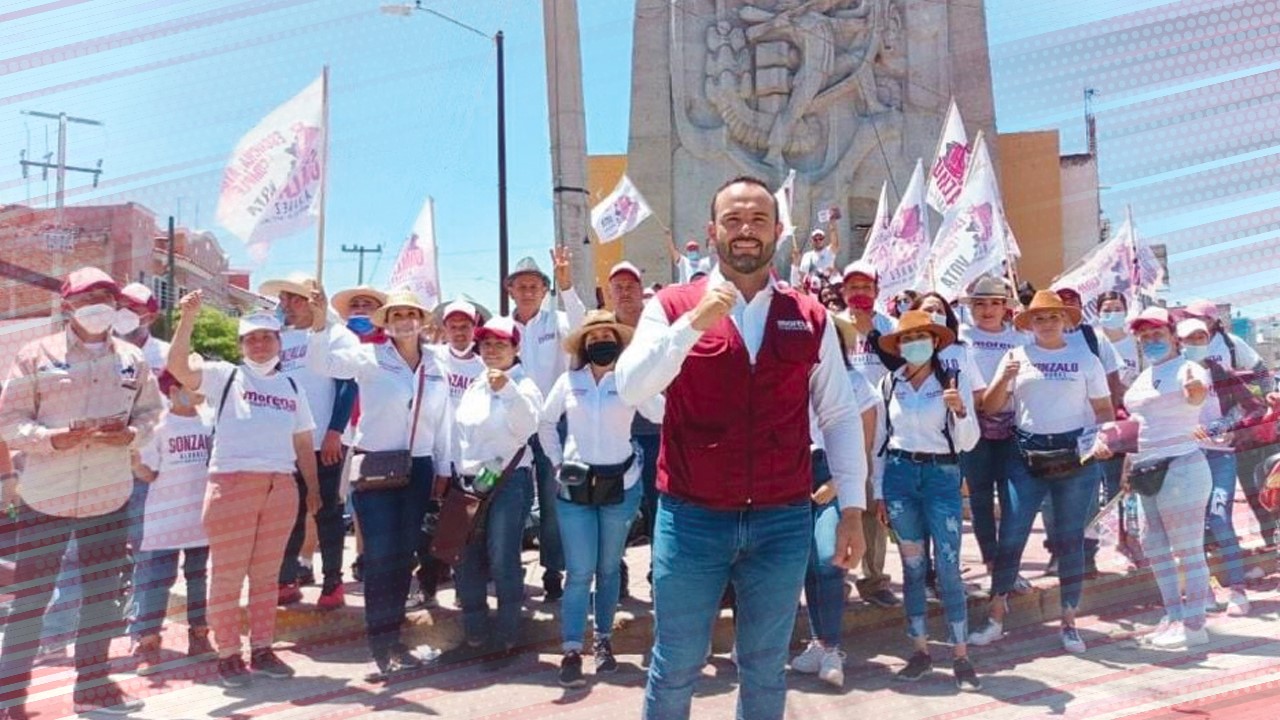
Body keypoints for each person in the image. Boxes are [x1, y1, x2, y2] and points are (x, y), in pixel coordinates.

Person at [616, 176, 867, 720]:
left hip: (782, 520)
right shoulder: (672, 304)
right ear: (712, 232)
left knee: (764, 665)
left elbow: (840, 415)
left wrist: (852, 509)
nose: (745, 231)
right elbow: (631, 387)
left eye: (758, 220)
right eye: (733, 220)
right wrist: (692, 325)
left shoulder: (810, 315)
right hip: (691, 518)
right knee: (679, 661)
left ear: (778, 231)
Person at [0, 267, 164, 717]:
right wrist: (53, 437)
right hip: (44, 495)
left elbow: (153, 414)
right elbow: (8, 422)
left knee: (103, 594)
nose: (98, 303)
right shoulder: (35, 355)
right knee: (31, 599)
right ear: (68, 303)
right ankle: (10, 697)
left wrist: (129, 435)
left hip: (108, 494)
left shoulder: (133, 359)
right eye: (88, 296)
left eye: (106, 296)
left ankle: (93, 684)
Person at [168, 292, 320, 688]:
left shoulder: (292, 386)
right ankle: (227, 653)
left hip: (281, 487)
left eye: (267, 337)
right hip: (232, 484)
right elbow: (179, 367)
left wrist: (315, 492)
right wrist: (188, 318)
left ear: (279, 342)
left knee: (267, 576)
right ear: (241, 345)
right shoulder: (224, 376)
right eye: (251, 338)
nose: (259, 344)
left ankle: (264, 648)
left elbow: (304, 443)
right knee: (228, 575)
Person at [304, 288, 452, 681]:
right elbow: (324, 364)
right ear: (386, 321)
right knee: (380, 556)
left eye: (411, 312)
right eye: (397, 313)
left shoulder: (437, 362)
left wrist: (444, 467)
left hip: (419, 466)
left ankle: (395, 639)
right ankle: (380, 644)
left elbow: (444, 419)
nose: (405, 319)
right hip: (376, 467)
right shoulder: (369, 357)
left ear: (422, 319)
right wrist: (319, 324)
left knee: (405, 557)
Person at [968, 290, 1114, 654]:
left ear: (1065, 320)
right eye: (1039, 318)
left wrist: (1101, 442)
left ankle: (1069, 622)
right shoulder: (1015, 355)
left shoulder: (1086, 360)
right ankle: (995, 618)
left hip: (1075, 456)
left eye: (1053, 317)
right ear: (1029, 324)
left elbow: (1104, 410)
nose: (1046, 323)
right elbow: (989, 406)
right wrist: (1005, 379)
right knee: (1012, 536)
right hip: (1025, 454)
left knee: (1070, 540)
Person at [540, 310, 664, 687]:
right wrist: (557, 462)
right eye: (593, 339)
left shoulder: (627, 381)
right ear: (584, 345)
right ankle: (572, 649)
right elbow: (546, 422)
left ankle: (604, 641)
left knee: (609, 568)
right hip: (575, 488)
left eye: (607, 337)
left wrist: (644, 377)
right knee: (579, 571)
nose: (600, 344)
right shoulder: (569, 381)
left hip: (620, 486)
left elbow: (661, 414)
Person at [873, 311, 982, 689]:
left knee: (949, 567)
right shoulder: (889, 383)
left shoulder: (953, 381)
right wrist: (878, 492)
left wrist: (961, 411)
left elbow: (968, 441)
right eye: (906, 338)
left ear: (935, 341)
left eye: (921, 336)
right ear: (898, 345)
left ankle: (961, 655)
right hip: (901, 478)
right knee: (913, 567)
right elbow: (880, 444)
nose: (913, 343)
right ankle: (919, 651)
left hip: (942, 475)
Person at [1095, 307, 1213, 649]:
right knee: (1156, 547)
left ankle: (1194, 624)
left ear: (1173, 336)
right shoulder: (1146, 376)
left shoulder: (1189, 367)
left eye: (1157, 334)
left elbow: (1196, 393)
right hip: (1147, 470)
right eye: (1145, 336)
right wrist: (1126, 465)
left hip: (1181, 467)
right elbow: (1140, 427)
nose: (1151, 341)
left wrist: (1195, 391)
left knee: (1188, 550)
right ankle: (1174, 616)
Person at [258, 273, 358, 609]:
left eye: (293, 297)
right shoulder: (276, 339)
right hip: (286, 443)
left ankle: (333, 582)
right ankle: (287, 578)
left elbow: (347, 385)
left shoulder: (336, 335)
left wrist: (334, 431)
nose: (285, 304)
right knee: (289, 511)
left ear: (313, 300)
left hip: (325, 440)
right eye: (283, 298)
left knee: (328, 512)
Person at [789, 315, 877, 689]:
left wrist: (838, 485)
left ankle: (832, 647)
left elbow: (864, 445)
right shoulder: (789, 378)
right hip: (790, 474)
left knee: (828, 558)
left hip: (831, 474)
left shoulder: (855, 382)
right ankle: (816, 643)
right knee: (799, 563)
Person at [452, 316, 543, 650]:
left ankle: (506, 635)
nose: (491, 350)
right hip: (472, 481)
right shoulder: (476, 383)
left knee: (503, 557)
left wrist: (508, 391)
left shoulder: (525, 385)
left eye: (500, 344)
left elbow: (526, 428)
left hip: (507, 481)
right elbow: (462, 434)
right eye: (486, 344)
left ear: (515, 348)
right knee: (468, 558)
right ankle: (474, 633)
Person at [505, 248, 586, 601]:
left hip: (553, 427)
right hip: (512, 430)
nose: (527, 291)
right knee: (512, 502)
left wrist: (567, 286)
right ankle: (508, 569)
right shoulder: (502, 329)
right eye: (520, 286)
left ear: (544, 290)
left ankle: (553, 570)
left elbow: (583, 325)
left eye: (534, 285)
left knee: (554, 504)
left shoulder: (558, 323)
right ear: (510, 290)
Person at [127, 370, 214, 670]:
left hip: (200, 517)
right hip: (165, 517)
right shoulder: (159, 427)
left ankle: (200, 634)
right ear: (174, 390)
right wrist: (136, 464)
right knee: (158, 579)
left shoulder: (210, 423)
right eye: (191, 386)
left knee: (198, 576)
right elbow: (150, 473)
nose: (199, 392)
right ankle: (148, 639)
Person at [1185, 299, 1277, 552]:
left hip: (1241, 428)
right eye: (1190, 317)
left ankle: (1271, 539)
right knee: (1210, 492)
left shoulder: (1231, 343)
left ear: (1214, 320)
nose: (1197, 323)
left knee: (1255, 485)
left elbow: (1260, 369)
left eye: (1202, 318)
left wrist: (1265, 399)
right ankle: (1219, 544)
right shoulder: (1182, 346)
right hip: (1205, 433)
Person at [835, 259, 901, 609]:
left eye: (866, 286)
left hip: (883, 431)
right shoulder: (832, 325)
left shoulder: (891, 326)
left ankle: (874, 579)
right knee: (842, 502)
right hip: (841, 427)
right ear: (843, 291)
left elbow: (903, 366)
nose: (859, 292)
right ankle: (837, 577)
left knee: (875, 505)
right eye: (853, 286)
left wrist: (872, 332)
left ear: (877, 291)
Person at [957, 276, 1030, 588]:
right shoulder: (960, 339)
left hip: (1014, 428)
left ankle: (1010, 566)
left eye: (994, 303)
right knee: (981, 499)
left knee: (1014, 500)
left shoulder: (1022, 340)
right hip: (974, 429)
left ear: (1005, 307)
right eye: (980, 303)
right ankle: (991, 563)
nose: (987, 309)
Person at [1179, 318, 1251, 615]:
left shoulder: (1221, 371)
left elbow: (1249, 403)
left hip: (1220, 454)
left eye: (1201, 337)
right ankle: (1203, 589)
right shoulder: (1171, 373)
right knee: (1192, 526)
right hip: (1185, 458)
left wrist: (1228, 424)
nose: (1196, 343)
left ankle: (1238, 589)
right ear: (1178, 341)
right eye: (1189, 338)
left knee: (1220, 518)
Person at [329, 285, 388, 586]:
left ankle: (366, 556)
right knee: (337, 501)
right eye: (356, 304)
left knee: (369, 500)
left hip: (376, 434)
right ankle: (332, 567)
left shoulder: (389, 345)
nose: (362, 309)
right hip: (341, 433)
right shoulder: (338, 344)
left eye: (368, 304)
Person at [609, 261, 659, 595]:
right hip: (616, 435)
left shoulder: (659, 326)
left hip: (657, 431)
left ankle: (660, 569)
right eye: (619, 287)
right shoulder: (601, 331)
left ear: (641, 291)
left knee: (659, 505)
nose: (626, 292)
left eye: (631, 285)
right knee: (616, 510)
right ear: (609, 293)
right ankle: (617, 571)